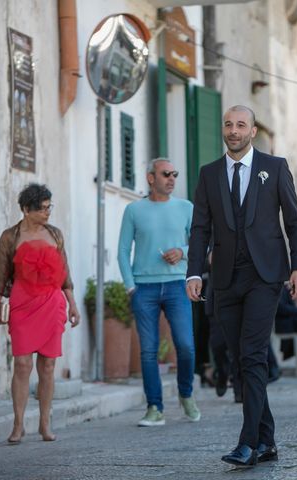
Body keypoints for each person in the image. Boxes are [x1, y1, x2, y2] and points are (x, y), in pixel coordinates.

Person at [186, 105, 297, 467]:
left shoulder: (275, 167)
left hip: (266, 276)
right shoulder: (209, 174)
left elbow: (296, 223)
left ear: (253, 131)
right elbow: (200, 228)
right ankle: (267, 439)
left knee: (253, 355)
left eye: (241, 125)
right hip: (225, 278)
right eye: (228, 124)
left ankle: (247, 443)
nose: (234, 130)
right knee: (242, 358)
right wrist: (194, 272)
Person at [0, 183, 80, 443]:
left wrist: (72, 304)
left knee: (48, 365)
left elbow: (64, 273)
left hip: (52, 302)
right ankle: (18, 425)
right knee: (21, 364)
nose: (47, 213)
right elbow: (0, 272)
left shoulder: (55, 234)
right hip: (23, 301)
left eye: (48, 207)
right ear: (25, 210)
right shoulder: (11, 236)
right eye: (41, 209)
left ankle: (45, 423)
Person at [118, 158, 199, 427]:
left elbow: (202, 244)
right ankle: (155, 407)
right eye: (166, 174)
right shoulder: (134, 210)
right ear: (151, 178)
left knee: (186, 346)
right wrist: (130, 286)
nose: (172, 178)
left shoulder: (186, 208)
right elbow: (121, 250)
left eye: (174, 174)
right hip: (144, 287)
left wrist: (183, 252)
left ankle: (185, 393)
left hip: (177, 285)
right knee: (148, 350)